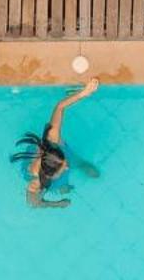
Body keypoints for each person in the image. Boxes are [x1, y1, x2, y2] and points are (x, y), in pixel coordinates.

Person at [12, 78, 100, 208]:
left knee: (79, 165)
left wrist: (84, 93)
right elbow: (34, 203)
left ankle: (80, 165)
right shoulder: (34, 184)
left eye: (63, 165)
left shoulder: (52, 140)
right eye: (63, 167)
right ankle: (72, 175)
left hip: (47, 152)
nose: (66, 167)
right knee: (64, 185)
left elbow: (60, 107)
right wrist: (56, 204)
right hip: (41, 166)